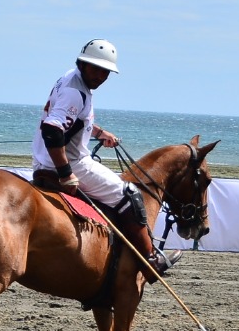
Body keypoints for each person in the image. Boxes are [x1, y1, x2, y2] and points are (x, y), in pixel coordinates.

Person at [32, 39, 179, 277]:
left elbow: (73, 120)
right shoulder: (75, 92)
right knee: (131, 195)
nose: (100, 76)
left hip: (43, 159)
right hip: (70, 163)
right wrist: (66, 173)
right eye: (95, 69)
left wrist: (98, 133)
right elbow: (52, 130)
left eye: (105, 72)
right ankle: (150, 261)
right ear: (82, 64)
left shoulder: (70, 78)